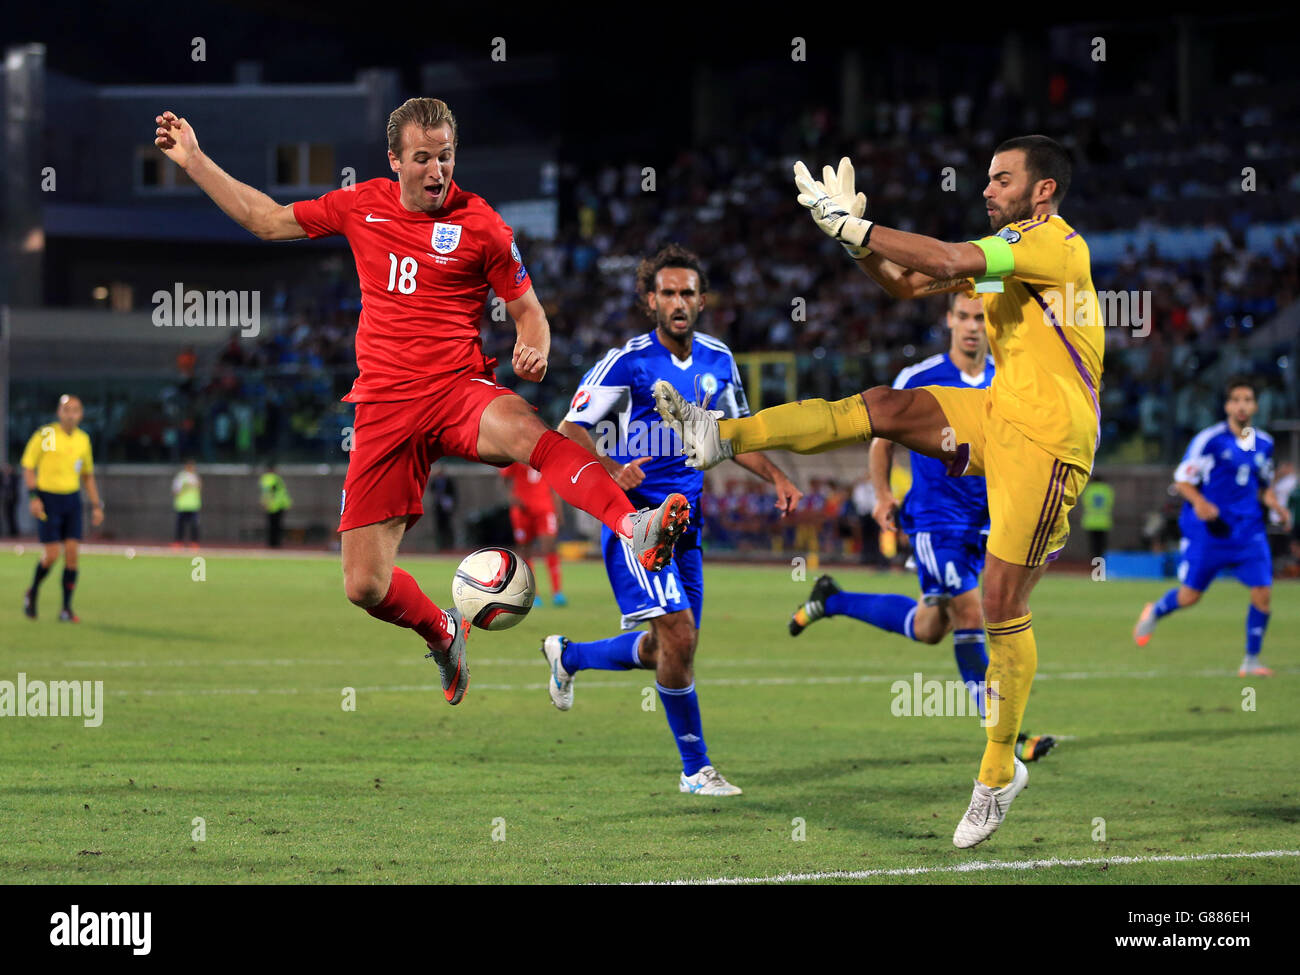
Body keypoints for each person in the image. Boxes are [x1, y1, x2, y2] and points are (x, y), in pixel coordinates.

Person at [155, 98, 688, 706]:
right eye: (423, 158)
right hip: (382, 409)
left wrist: (532, 346)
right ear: (395, 161)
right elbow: (267, 219)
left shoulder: (483, 224)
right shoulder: (360, 205)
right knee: (364, 585)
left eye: (446, 157)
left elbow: (528, 311)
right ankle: (441, 630)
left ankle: (633, 525)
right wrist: (194, 160)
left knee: (526, 431)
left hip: (456, 390)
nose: (437, 171)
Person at [656, 137, 1102, 846]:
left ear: (1043, 190)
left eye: (1002, 178)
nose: (987, 188)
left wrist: (854, 224)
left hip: (1050, 441)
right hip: (998, 415)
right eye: (986, 177)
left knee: (998, 603)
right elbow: (906, 284)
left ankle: (996, 772)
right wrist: (854, 243)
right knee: (884, 403)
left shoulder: (1054, 246)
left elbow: (950, 260)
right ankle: (721, 437)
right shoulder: (1009, 251)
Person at [545, 244, 802, 796]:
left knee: (671, 650)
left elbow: (733, 436)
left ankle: (569, 656)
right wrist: (610, 468)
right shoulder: (627, 362)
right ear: (650, 301)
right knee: (679, 637)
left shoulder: (719, 360)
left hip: (688, 527)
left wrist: (777, 477)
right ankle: (696, 770)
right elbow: (569, 429)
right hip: (638, 522)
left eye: (688, 292)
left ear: (702, 301)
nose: (678, 301)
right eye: (667, 292)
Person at [788, 294, 1054, 764]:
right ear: (949, 320)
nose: (973, 327)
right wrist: (884, 495)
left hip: (992, 523)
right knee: (973, 615)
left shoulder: (1008, 378)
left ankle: (832, 599)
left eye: (981, 318)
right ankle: (1006, 739)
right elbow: (881, 435)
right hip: (936, 523)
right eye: (964, 317)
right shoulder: (920, 378)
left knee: (931, 627)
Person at [1133, 378, 1291, 676]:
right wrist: (1200, 503)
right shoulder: (1210, 440)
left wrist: (1277, 506)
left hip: (1249, 531)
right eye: (1236, 399)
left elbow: (1263, 486)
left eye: (1247, 399)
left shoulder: (1266, 443)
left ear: (1255, 406)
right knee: (1191, 596)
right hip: (1212, 532)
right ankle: (1155, 610)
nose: (1242, 405)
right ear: (1227, 405)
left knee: (1263, 592)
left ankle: (1251, 660)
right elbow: (1182, 480)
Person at [21, 395, 105, 622]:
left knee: (72, 554)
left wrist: (97, 505)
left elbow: (87, 475)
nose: (71, 414)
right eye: (66, 409)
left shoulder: (83, 440)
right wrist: (33, 497)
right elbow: (29, 466)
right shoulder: (47, 434)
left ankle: (66, 608)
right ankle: (33, 591)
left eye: (75, 410)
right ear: (59, 412)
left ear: (81, 414)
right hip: (49, 499)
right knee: (51, 555)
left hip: (72, 500)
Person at [500, 462, 566, 606]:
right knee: (525, 550)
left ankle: (557, 592)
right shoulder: (516, 455)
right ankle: (534, 594)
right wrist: (511, 495)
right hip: (522, 510)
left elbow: (555, 485)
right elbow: (505, 477)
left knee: (550, 547)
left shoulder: (544, 458)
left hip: (545, 508)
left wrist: (558, 511)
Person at [1079, 475, 1114, 564]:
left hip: (1091, 521)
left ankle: (1094, 562)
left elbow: (1085, 503)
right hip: (1104, 521)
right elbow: (1110, 503)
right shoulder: (1107, 490)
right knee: (1102, 544)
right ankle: (1102, 561)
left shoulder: (1089, 490)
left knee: (1093, 544)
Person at [172, 459, 202, 550]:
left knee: (194, 526)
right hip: (182, 506)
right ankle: (178, 543)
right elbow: (175, 490)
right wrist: (185, 486)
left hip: (193, 506)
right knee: (180, 526)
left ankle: (194, 543)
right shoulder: (181, 477)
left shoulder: (195, 477)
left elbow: (199, 487)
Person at [260, 463, 292, 548]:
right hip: (274, 505)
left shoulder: (274, 478)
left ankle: (275, 543)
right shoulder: (270, 478)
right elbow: (268, 491)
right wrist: (266, 502)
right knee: (274, 525)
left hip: (278, 505)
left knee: (276, 525)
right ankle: (273, 544)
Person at [0, 464, 19, 537]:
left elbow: (15, 488)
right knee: (4, 515)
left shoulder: (14, 477)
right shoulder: (1, 477)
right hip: (3, 499)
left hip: (12, 500)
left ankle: (13, 532)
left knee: (12, 515)